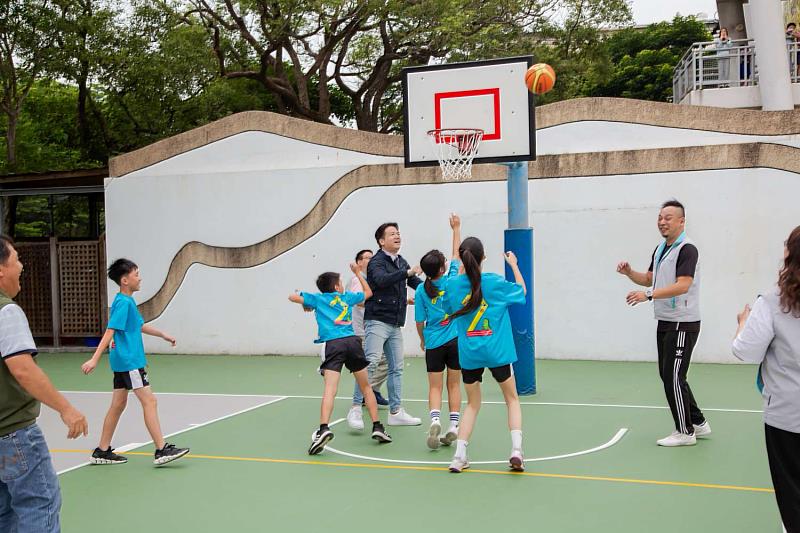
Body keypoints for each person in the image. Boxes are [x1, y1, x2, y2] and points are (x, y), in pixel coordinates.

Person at [0, 235, 89, 533]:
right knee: (39, 504)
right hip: (13, 434)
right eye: (16, 260)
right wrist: (66, 409)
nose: (21, 266)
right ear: (1, 270)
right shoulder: (7, 312)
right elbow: (23, 369)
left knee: (4, 514)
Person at [617, 199, 710, 447]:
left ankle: (685, 431)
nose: (662, 222)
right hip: (666, 321)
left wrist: (647, 296)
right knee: (668, 374)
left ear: (681, 221)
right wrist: (629, 273)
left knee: (673, 375)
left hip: (683, 322)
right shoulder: (660, 250)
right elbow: (649, 279)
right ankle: (698, 422)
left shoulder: (687, 249)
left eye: (668, 218)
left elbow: (683, 284)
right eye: (660, 217)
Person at [81, 258, 189, 466]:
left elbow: (138, 326)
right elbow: (110, 330)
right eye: (136, 274)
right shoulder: (123, 303)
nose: (140, 278)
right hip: (130, 361)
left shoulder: (126, 302)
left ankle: (102, 451)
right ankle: (161, 449)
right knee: (150, 401)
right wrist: (94, 358)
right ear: (125, 280)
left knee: (118, 404)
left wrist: (163, 335)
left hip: (122, 361)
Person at [732, 225, 800, 532]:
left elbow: (746, 351)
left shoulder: (772, 302)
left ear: (789, 254)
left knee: (792, 492)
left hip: (788, 415)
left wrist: (742, 324)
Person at [443, 237, 527, 473]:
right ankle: (516, 451)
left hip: (470, 354)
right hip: (498, 352)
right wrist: (514, 265)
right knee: (511, 399)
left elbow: (449, 308)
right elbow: (522, 292)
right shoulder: (495, 282)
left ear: (463, 258)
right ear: (483, 258)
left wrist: (457, 273)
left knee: (471, 404)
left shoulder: (453, 285)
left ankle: (459, 456)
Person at [290, 265, 392, 454]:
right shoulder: (347, 298)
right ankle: (377, 426)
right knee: (366, 387)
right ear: (337, 287)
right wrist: (357, 274)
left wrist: (306, 303)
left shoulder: (319, 299)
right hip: (353, 342)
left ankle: (323, 429)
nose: (342, 285)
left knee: (330, 389)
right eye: (340, 282)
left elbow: (292, 297)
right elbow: (368, 292)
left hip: (333, 344)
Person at [349, 222, 423, 428]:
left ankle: (396, 411)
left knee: (397, 368)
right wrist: (407, 273)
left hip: (395, 322)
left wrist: (433, 288)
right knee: (371, 363)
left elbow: (415, 283)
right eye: (392, 234)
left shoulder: (401, 261)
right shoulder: (376, 262)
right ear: (382, 241)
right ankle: (355, 408)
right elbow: (381, 281)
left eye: (398, 233)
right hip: (377, 320)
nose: (397, 236)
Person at [415, 214, 463, 449]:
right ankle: (454, 425)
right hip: (455, 340)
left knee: (434, 386)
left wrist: (423, 340)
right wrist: (456, 228)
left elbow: (419, 322)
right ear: (443, 268)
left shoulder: (422, 291)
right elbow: (456, 254)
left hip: (434, 342)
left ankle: (435, 419)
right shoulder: (452, 280)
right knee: (454, 384)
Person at [349, 249, 389, 408]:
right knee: (370, 364)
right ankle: (364, 396)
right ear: (359, 262)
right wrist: (379, 303)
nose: (372, 260)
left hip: (373, 329)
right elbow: (358, 300)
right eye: (368, 258)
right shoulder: (356, 281)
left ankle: (371, 391)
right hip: (362, 332)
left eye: (373, 257)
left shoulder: (370, 279)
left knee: (384, 361)